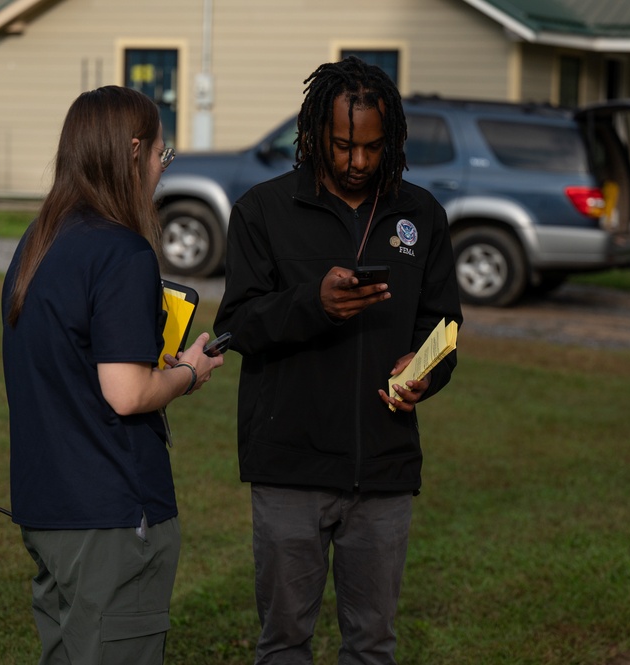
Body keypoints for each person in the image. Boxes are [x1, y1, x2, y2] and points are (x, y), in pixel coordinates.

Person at [214, 56, 462, 665]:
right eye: (343, 146)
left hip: (383, 471)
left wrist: (426, 372)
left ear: (392, 141)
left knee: (372, 646)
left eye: (372, 148)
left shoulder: (421, 215)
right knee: (283, 645)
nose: (357, 163)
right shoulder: (262, 210)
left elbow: (445, 325)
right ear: (314, 135)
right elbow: (236, 325)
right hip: (289, 469)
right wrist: (313, 303)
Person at [1, 85, 225, 665]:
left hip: (47, 510)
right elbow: (126, 394)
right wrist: (188, 374)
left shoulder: (38, 242)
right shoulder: (123, 252)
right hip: (111, 517)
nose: (160, 168)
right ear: (132, 151)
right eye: (160, 154)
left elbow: (74, 368)